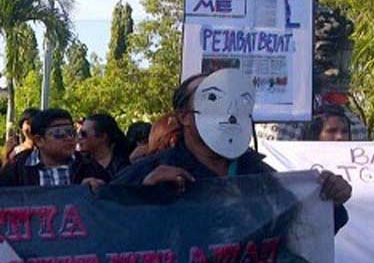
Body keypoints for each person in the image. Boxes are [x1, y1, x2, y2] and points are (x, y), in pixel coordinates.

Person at [114, 70, 351, 231]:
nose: (228, 111)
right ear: (185, 116)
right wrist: (143, 198)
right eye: (213, 98)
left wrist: (330, 199)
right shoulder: (149, 172)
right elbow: (102, 226)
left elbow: (307, 228)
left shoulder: (258, 173)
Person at [0, 107, 109, 190]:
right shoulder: (17, 168)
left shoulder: (89, 167)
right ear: (39, 140)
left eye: (71, 132)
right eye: (59, 134)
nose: (68, 138)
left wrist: (96, 190)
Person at [76, 113, 131, 177]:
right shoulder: (78, 165)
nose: (79, 137)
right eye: (78, 133)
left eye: (83, 134)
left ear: (103, 137)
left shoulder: (122, 166)